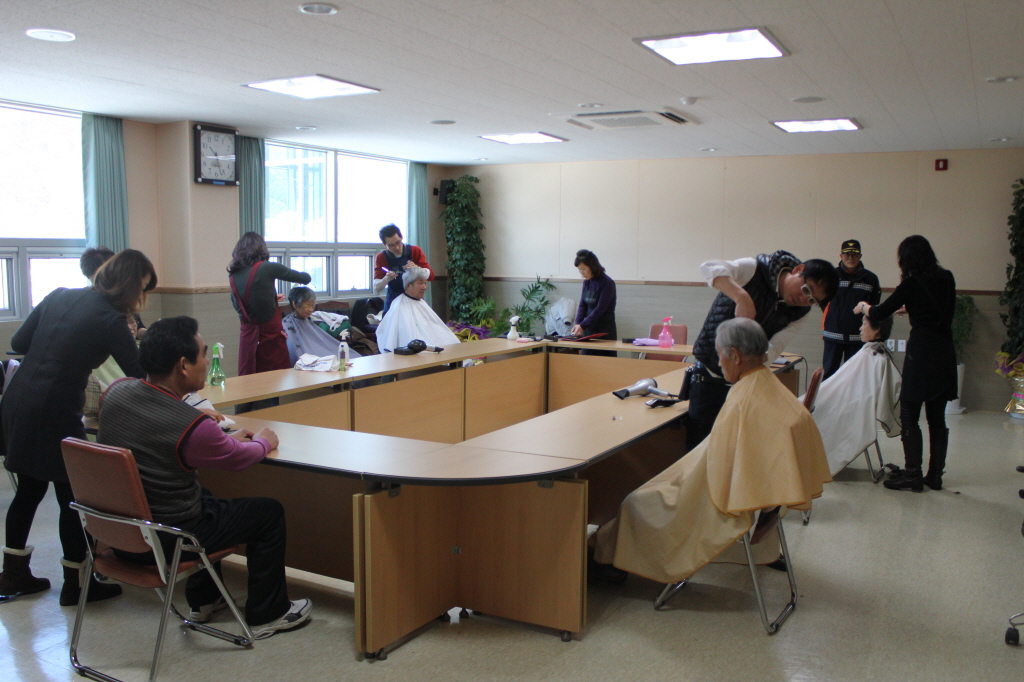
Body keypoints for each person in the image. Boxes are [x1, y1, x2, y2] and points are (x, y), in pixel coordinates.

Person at [98, 316, 312, 638]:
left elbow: (155, 420)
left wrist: (199, 421)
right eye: (203, 353)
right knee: (267, 512)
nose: (207, 359)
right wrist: (263, 442)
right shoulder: (192, 427)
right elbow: (239, 459)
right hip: (169, 538)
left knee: (206, 497)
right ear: (184, 366)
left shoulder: (116, 392)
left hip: (120, 534)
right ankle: (269, 613)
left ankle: (205, 599)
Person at [592, 318, 831, 583]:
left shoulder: (744, 398)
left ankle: (611, 564)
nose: (719, 363)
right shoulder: (764, 386)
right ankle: (608, 551)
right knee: (654, 487)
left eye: (719, 356)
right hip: (748, 492)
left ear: (735, 356)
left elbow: (715, 470)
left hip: (725, 499)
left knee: (636, 503)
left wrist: (680, 479)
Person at [0, 249, 157, 605]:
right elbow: (138, 372)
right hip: (54, 408)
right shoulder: (111, 319)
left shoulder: (59, 295)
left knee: (29, 489)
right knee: (72, 497)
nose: (141, 297)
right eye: (142, 288)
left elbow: (19, 343)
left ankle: (13, 575)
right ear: (130, 286)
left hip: (18, 398)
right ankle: (77, 583)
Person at [686, 251, 839, 451]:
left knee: (736, 447)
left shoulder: (800, 313)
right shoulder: (755, 269)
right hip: (708, 376)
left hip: (744, 384)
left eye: (812, 300)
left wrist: (748, 363)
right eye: (806, 289)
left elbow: (774, 348)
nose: (803, 299)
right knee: (701, 444)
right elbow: (709, 267)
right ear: (798, 270)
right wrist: (741, 296)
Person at [856, 235, 956, 492]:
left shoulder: (911, 283)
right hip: (945, 352)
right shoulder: (947, 278)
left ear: (906, 259)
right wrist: (913, 308)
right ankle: (935, 476)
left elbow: (880, 312)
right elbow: (943, 310)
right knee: (937, 417)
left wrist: (865, 307)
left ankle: (913, 474)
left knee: (910, 413)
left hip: (921, 353)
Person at [804, 315, 902, 475]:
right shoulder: (877, 353)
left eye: (864, 324)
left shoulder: (871, 356)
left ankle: (806, 460)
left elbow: (844, 387)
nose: (860, 328)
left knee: (813, 413)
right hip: (851, 403)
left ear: (876, 329)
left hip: (851, 407)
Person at [227, 232, 310, 377]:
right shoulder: (268, 268)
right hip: (270, 339)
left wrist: (269, 298)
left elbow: (239, 305)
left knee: (249, 381)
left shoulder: (233, 274)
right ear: (261, 249)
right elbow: (305, 278)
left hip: (248, 341)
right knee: (274, 382)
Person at [821, 239, 881, 379]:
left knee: (854, 376)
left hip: (858, 337)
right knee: (829, 375)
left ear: (860, 256)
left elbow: (873, 307)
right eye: (847, 254)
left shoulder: (871, 279)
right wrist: (834, 313)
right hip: (833, 335)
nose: (851, 258)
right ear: (841, 256)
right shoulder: (831, 276)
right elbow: (822, 300)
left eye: (854, 254)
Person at [375, 267, 460, 353]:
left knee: (454, 346)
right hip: (415, 350)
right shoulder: (399, 305)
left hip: (433, 345)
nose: (424, 287)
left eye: (425, 283)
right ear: (409, 285)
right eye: (420, 283)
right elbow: (404, 336)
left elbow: (436, 328)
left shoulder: (421, 303)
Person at [281, 286, 366, 364]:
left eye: (312, 305)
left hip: (321, 355)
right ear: (295, 304)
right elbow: (296, 353)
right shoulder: (287, 324)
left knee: (355, 357)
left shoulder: (310, 321)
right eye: (307, 305)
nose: (311, 309)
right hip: (308, 361)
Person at [373, 224, 433, 314]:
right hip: (393, 301)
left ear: (401, 238)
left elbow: (431, 276)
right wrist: (386, 279)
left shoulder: (415, 251)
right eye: (391, 245)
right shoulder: (381, 257)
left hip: (414, 300)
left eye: (398, 242)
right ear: (385, 245)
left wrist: (417, 268)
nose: (397, 247)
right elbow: (377, 288)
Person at [569, 249, 616, 356]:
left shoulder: (608, 283)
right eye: (579, 270)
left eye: (584, 269)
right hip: (588, 329)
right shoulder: (587, 282)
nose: (582, 273)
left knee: (604, 362)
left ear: (592, 266)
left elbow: (600, 309)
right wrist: (578, 323)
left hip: (604, 330)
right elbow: (582, 305)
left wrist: (583, 325)